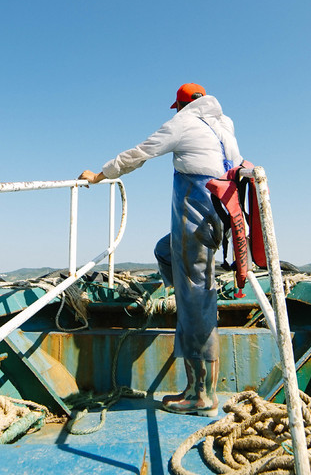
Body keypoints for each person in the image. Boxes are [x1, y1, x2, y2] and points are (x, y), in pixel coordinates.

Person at [79, 83, 243, 415]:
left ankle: (201, 397)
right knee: (164, 252)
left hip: (194, 221)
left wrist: (99, 175)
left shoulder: (184, 122)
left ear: (180, 106)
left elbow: (140, 153)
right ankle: (176, 295)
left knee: (195, 300)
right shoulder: (225, 126)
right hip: (217, 217)